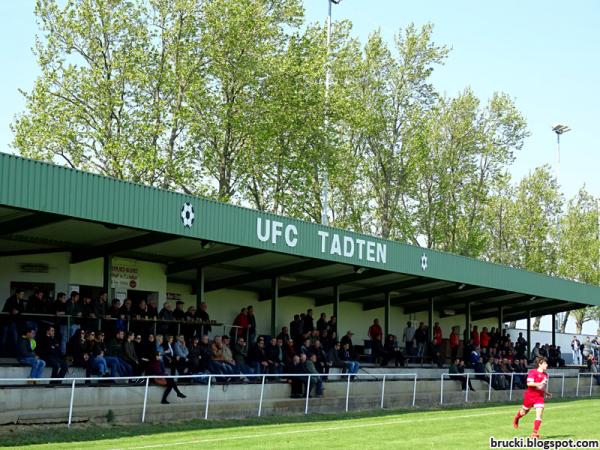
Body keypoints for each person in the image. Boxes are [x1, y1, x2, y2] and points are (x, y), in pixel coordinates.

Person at [513, 356, 552, 439]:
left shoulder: (545, 375)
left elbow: (541, 387)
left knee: (539, 415)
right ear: (540, 364)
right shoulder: (532, 372)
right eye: (545, 363)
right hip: (530, 396)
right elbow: (529, 384)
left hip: (539, 397)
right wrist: (540, 383)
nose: (547, 365)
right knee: (524, 412)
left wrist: (546, 392)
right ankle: (517, 418)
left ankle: (534, 433)